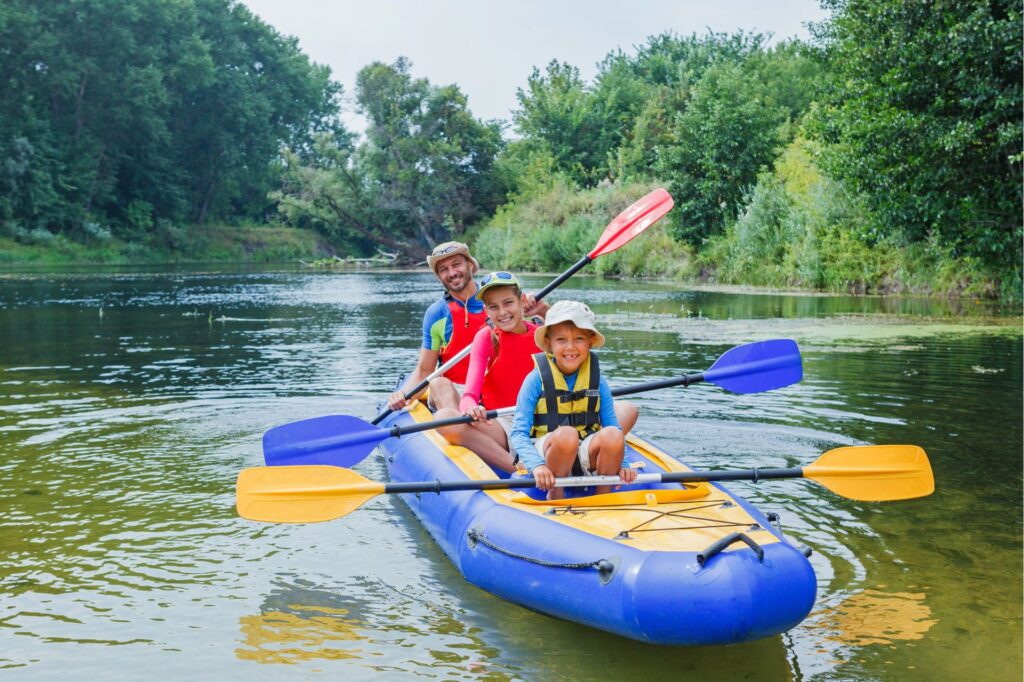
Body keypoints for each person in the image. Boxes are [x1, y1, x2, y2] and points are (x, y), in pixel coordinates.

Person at [386, 242, 544, 415]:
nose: (452, 273)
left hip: (503, 388)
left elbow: (553, 335)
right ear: (439, 276)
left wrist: (543, 310)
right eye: (444, 269)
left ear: (470, 265)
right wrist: (403, 394)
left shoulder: (501, 302)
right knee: (439, 384)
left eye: (456, 264)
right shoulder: (437, 314)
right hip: (457, 390)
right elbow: (425, 370)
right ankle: (460, 428)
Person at [508, 301, 638, 500]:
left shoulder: (598, 381)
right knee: (567, 435)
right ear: (550, 342)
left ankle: (602, 497)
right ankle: (555, 494)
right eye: (561, 340)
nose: (570, 347)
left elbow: (613, 426)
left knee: (612, 434)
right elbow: (518, 433)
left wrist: (624, 464)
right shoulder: (535, 379)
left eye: (579, 339)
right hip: (549, 452)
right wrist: (537, 465)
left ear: (590, 341)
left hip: (584, 451)